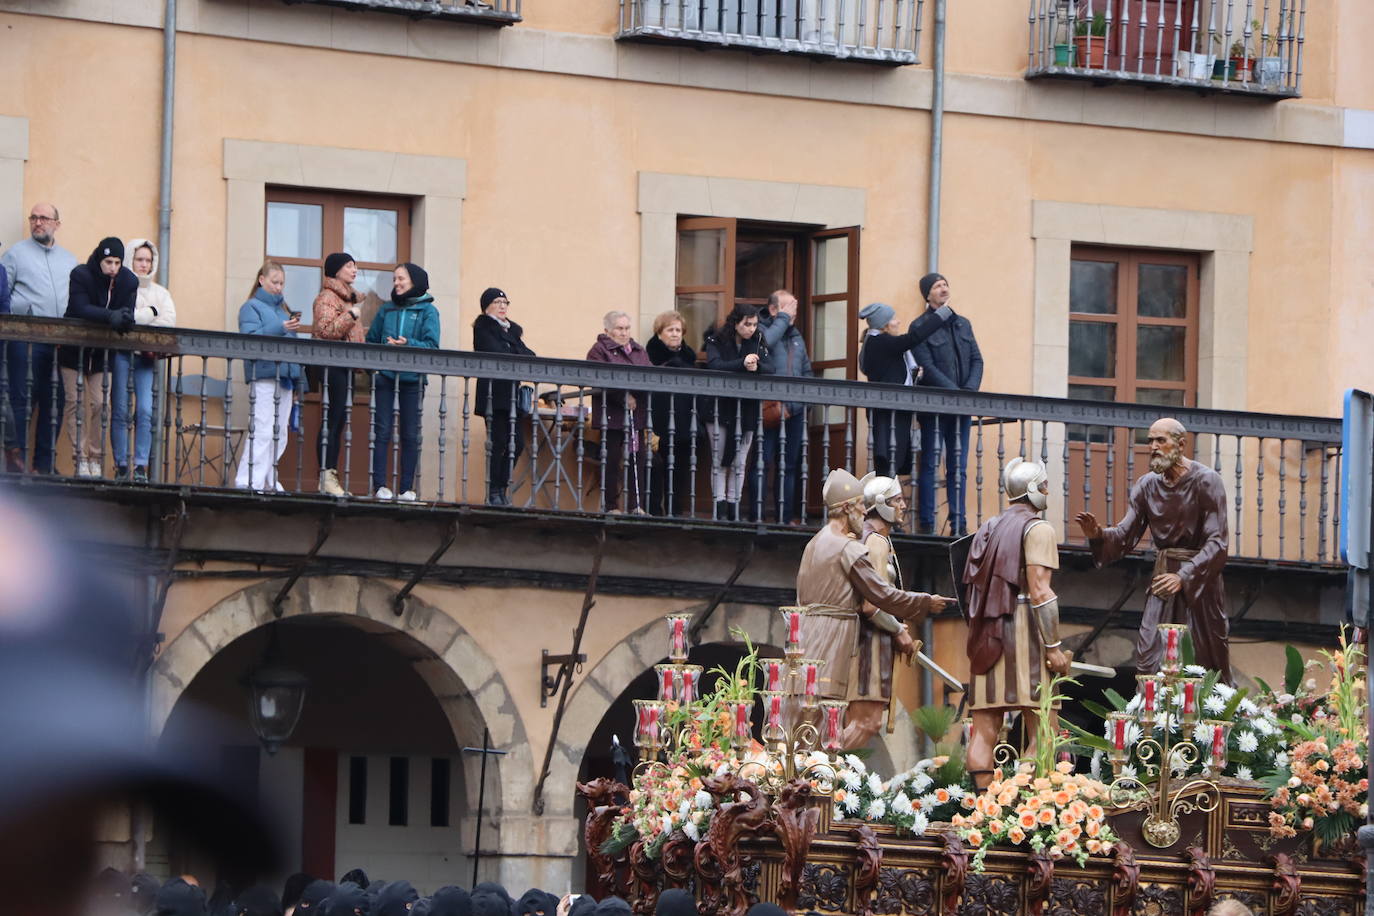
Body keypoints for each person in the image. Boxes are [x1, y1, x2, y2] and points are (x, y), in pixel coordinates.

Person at [795, 468, 955, 749]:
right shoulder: (849, 547)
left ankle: (806, 770)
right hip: (836, 637)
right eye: (859, 506)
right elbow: (879, 597)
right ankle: (818, 768)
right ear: (846, 508)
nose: (864, 512)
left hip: (807, 636)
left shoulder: (814, 543)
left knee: (814, 717)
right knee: (828, 720)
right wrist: (923, 603)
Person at [1075, 418, 1232, 682]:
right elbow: (1126, 534)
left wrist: (1183, 577)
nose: (1153, 447)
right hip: (1162, 582)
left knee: (1201, 656)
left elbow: (1218, 542)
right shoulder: (1147, 485)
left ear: (1181, 444)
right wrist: (1099, 535)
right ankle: (1151, 717)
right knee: (1150, 655)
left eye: (1161, 440)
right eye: (1150, 441)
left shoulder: (1207, 481)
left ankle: (1205, 719)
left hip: (1199, 585)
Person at [962, 458, 1071, 789]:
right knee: (1045, 729)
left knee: (983, 730)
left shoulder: (987, 529)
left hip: (984, 635)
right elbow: (1040, 592)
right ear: (1033, 490)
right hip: (1025, 633)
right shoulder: (1039, 528)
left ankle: (981, 807)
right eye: (1045, 485)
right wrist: (1054, 647)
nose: (1049, 491)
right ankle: (1017, 805)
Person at [2, 203, 78, 474]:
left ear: (57, 223)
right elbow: (4, 296)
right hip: (25, 340)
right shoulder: (15, 255)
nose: (37, 222)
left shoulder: (70, 260)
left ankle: (44, 465)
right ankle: (17, 463)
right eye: (34, 217)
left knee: (54, 403)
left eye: (44, 218)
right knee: (22, 399)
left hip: (60, 343)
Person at [910, 272, 982, 536]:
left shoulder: (963, 323)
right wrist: (954, 392)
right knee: (929, 463)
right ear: (927, 294)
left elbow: (977, 360)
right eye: (937, 286)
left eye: (945, 284)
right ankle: (927, 523)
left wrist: (969, 391)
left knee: (958, 467)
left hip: (961, 408)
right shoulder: (919, 326)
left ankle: (959, 523)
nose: (943, 288)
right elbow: (925, 366)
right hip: (934, 407)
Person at [63, 237, 138, 478]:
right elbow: (80, 307)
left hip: (102, 354)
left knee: (101, 403)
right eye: (108, 262)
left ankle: (95, 457)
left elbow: (127, 311)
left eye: (117, 262)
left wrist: (125, 319)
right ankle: (80, 458)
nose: (113, 268)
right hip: (73, 349)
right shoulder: (81, 274)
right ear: (99, 259)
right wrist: (111, 316)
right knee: (75, 401)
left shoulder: (128, 281)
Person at [857, 473, 923, 733]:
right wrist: (897, 630)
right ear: (882, 503)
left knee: (865, 723)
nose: (903, 506)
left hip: (874, 638)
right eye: (898, 500)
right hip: (869, 643)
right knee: (866, 723)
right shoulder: (875, 541)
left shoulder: (875, 537)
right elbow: (871, 604)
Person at [367, 263, 439, 501]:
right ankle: (379, 486)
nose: (396, 283)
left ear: (415, 281)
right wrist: (375, 369)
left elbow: (432, 346)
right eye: (395, 279)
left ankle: (407, 488)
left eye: (401, 279)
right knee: (382, 430)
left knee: (410, 433)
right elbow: (371, 341)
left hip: (413, 379)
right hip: (385, 378)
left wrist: (407, 344)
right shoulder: (386, 309)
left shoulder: (428, 311)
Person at [234, 260, 303, 492]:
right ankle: (247, 480)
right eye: (275, 282)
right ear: (262, 280)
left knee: (280, 432)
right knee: (262, 429)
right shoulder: (250, 307)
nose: (279, 287)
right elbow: (251, 338)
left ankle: (269, 478)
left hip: (284, 378)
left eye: (282, 283)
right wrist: (282, 327)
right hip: (264, 375)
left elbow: (294, 348)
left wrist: (298, 382)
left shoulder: (283, 309)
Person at [111, 239, 176, 483]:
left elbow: (169, 322)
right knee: (119, 409)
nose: (144, 264)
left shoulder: (161, 293)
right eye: (139, 259)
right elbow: (124, 319)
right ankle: (121, 464)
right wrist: (151, 313)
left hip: (147, 358)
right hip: (121, 354)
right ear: (131, 259)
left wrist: (141, 318)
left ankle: (140, 465)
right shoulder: (119, 288)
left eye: (148, 260)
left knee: (146, 410)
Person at [703, 303, 773, 521]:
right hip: (720, 407)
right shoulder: (716, 339)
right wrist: (742, 363)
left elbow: (771, 367)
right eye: (746, 324)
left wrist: (757, 367)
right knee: (720, 459)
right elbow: (714, 365)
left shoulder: (759, 340)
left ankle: (733, 506)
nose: (751, 328)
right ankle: (719, 507)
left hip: (747, 409)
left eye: (754, 324)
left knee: (740, 461)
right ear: (735, 322)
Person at [753, 289, 811, 524]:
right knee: (762, 462)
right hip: (767, 408)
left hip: (794, 410)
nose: (794, 312)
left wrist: (804, 403)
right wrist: (783, 319)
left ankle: (784, 518)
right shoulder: (760, 329)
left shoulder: (797, 337)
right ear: (773, 309)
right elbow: (765, 344)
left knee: (789, 466)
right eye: (789, 308)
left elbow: (806, 370)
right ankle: (756, 516)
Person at [472, 287, 534, 507]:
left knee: (516, 445)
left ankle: (500, 486)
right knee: (499, 444)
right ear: (486, 306)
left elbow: (530, 355)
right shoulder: (483, 327)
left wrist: (513, 350)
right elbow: (494, 352)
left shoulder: (512, 332)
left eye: (505, 302)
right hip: (493, 397)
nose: (502, 306)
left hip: (512, 398)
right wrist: (513, 352)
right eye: (497, 302)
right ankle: (494, 493)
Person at [311, 252, 366, 497]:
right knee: (332, 420)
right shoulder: (328, 297)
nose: (354, 270)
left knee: (339, 420)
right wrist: (351, 316)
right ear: (336, 270)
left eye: (355, 266)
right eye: (349, 266)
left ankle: (330, 476)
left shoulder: (347, 299)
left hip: (346, 366)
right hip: (332, 366)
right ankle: (326, 475)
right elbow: (325, 329)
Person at [587, 311, 652, 513]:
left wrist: (636, 396)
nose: (624, 333)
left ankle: (636, 506)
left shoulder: (638, 350)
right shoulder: (598, 350)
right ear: (608, 330)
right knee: (611, 460)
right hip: (612, 414)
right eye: (619, 328)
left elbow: (649, 374)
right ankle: (611, 506)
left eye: (626, 328)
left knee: (637, 459)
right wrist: (622, 397)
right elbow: (600, 377)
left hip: (635, 415)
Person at [857, 302, 924, 483]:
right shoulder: (880, 342)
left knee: (891, 461)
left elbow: (893, 369)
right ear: (884, 324)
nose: (898, 321)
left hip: (894, 411)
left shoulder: (879, 342)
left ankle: (889, 503)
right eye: (894, 319)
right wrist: (941, 314)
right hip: (888, 413)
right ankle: (885, 505)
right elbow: (913, 338)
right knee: (888, 462)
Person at [645, 310, 698, 517]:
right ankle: (654, 512)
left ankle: (675, 512)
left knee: (679, 471)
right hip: (658, 420)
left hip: (684, 422)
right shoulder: (649, 354)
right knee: (656, 469)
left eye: (678, 330)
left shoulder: (689, 356)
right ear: (659, 333)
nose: (675, 334)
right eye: (670, 330)